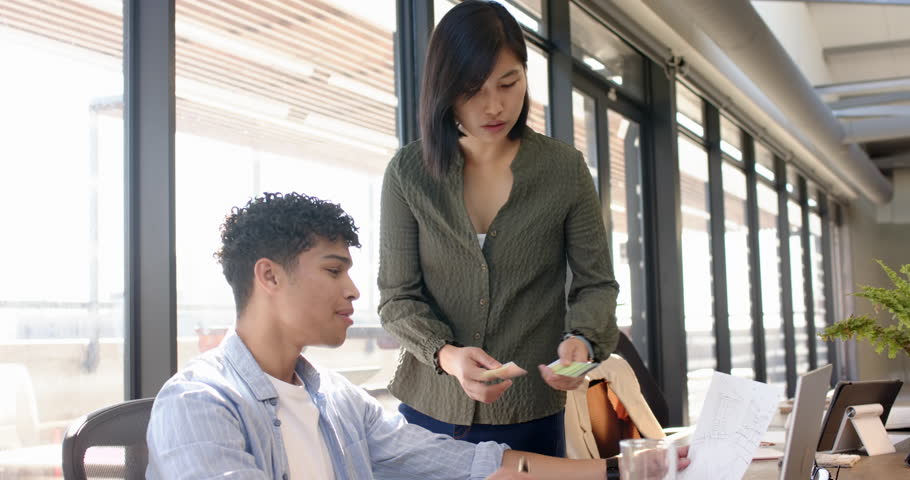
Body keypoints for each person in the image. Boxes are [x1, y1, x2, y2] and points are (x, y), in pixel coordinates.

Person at [146, 192, 671, 479]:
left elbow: (470, 462)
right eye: (334, 271)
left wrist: (619, 471)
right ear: (269, 276)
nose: (354, 291)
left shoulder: (337, 401)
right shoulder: (198, 405)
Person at [378, 0, 619, 456]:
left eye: (509, 83)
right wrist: (449, 357)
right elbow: (397, 297)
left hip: (528, 416)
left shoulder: (563, 170)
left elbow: (596, 285)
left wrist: (582, 341)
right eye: (473, 90)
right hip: (426, 415)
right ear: (444, 90)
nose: (495, 105)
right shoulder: (409, 173)